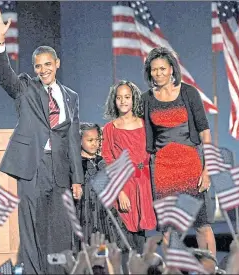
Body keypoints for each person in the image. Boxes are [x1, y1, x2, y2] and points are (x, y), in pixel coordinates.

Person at [0, 8, 83, 274]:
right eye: (38, 66)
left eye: (47, 64)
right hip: (32, 166)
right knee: (30, 226)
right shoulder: (25, 88)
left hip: (60, 169)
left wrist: (77, 179)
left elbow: (74, 139)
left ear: (57, 64)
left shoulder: (71, 97)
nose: (43, 70)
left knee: (62, 229)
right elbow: (4, 75)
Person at [141, 47, 217, 272]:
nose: (158, 73)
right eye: (154, 70)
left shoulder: (189, 93)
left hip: (191, 166)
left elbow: (205, 132)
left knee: (202, 225)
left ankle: (209, 270)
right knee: (168, 230)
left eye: (162, 68)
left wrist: (208, 169)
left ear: (172, 69)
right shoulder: (146, 99)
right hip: (163, 170)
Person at [102, 80, 157, 254]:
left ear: (134, 99)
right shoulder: (110, 128)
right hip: (123, 184)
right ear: (114, 100)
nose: (123, 101)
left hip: (143, 183)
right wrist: (119, 192)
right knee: (124, 236)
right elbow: (108, 160)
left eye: (127, 97)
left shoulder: (145, 125)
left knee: (141, 236)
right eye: (119, 97)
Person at [74, 122, 113, 249]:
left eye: (97, 140)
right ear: (80, 140)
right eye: (90, 140)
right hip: (83, 210)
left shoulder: (101, 161)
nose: (94, 143)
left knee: (102, 241)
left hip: (101, 211)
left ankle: (101, 265)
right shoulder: (76, 163)